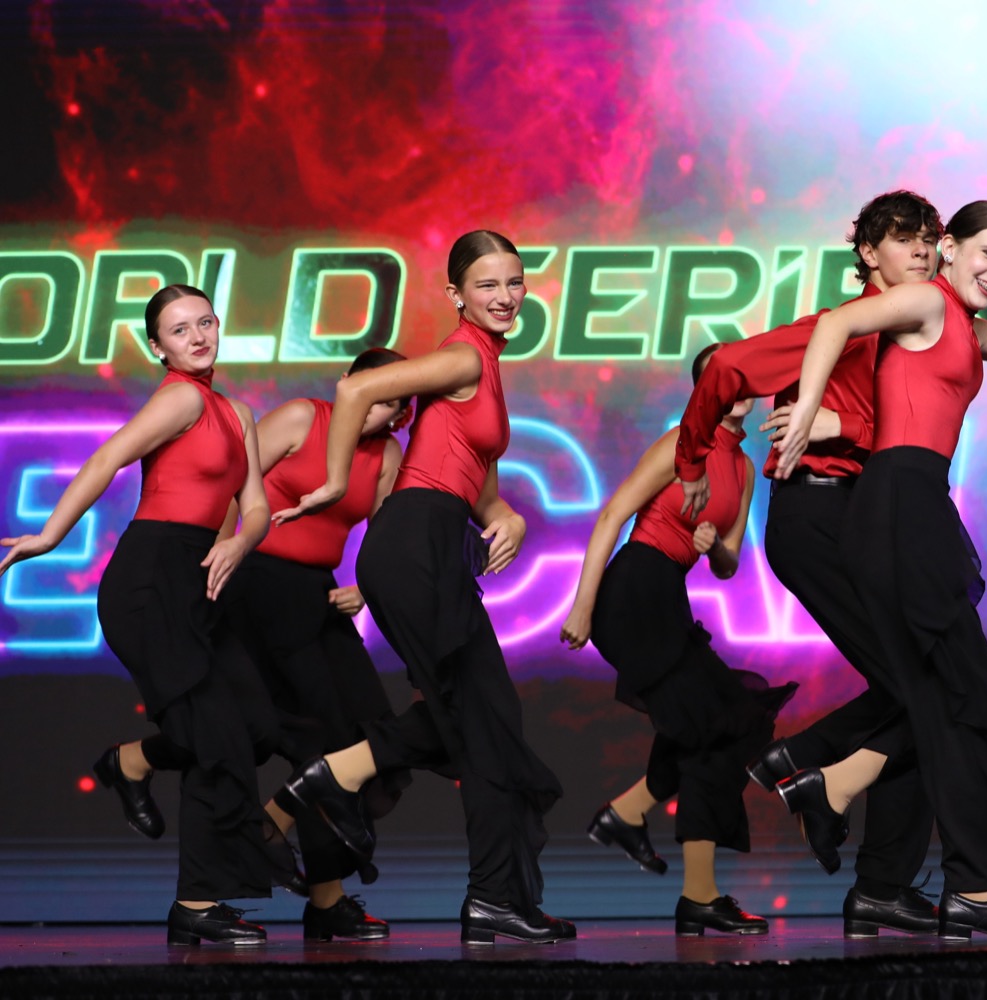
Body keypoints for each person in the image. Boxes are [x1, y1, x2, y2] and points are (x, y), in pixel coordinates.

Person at [773, 200, 987, 940]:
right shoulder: (927, 302)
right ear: (949, 247)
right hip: (899, 501)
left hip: (916, 500)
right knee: (967, 702)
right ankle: (963, 883)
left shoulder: (968, 325)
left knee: (950, 703)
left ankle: (838, 791)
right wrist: (807, 411)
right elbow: (837, 326)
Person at [270, 230, 573, 944]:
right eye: (488, 285)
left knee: (484, 721)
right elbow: (356, 388)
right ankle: (489, 896)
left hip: (433, 540)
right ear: (456, 295)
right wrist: (337, 481)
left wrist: (505, 515)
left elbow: (471, 474)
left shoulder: (484, 365)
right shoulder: (464, 354)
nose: (505, 296)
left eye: (514, 282)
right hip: (416, 544)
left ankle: (341, 779)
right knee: (483, 723)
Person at [673, 191, 944, 936]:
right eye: (904, 239)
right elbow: (729, 366)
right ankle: (825, 792)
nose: (922, 250)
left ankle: (872, 868)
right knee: (929, 690)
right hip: (819, 515)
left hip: (875, 520)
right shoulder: (841, 329)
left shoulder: (928, 332)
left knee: (923, 695)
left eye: (930, 238)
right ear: (869, 254)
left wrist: (845, 420)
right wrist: (692, 459)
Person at [1, 284, 298, 946]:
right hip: (151, 581)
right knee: (216, 737)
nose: (197, 336)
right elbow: (109, 456)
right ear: (158, 347)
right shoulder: (181, 398)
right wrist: (49, 536)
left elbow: (255, 506)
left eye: (205, 322)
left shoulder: (237, 412)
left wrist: (238, 542)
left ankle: (131, 762)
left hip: (202, 577)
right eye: (179, 330)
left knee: (254, 727)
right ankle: (195, 905)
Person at [560, 345, 796, 937]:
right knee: (716, 726)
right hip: (632, 593)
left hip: (669, 596)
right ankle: (695, 893)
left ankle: (631, 818)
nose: (739, 389)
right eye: (724, 380)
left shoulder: (744, 471)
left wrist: (713, 546)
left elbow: (728, 564)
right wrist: (583, 606)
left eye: (745, 379)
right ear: (705, 392)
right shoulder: (680, 445)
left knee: (727, 724)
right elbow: (612, 515)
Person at [218, 347, 413, 941]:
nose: (380, 412)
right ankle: (325, 900)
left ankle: (277, 831)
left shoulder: (387, 456)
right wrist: (217, 560)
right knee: (316, 736)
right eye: (372, 396)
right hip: (255, 584)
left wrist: (366, 589)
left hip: (318, 594)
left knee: (367, 730)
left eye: (393, 404)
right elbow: (230, 487)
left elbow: (385, 538)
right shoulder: (305, 417)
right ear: (347, 385)